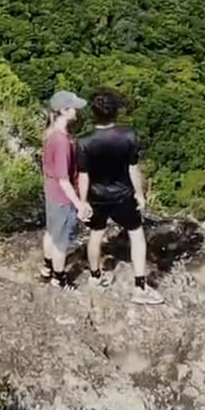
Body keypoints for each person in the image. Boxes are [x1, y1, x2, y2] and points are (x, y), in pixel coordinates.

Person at [77, 88, 162, 305]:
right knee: (136, 234)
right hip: (123, 194)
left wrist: (83, 201)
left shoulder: (84, 142)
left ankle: (95, 278)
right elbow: (133, 169)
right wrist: (140, 194)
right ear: (115, 111)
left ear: (94, 113)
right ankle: (139, 287)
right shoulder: (128, 135)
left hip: (97, 195)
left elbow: (83, 176)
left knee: (96, 234)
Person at [39, 89, 91, 288]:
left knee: (51, 232)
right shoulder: (61, 141)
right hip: (62, 197)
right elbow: (64, 178)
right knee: (61, 242)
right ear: (64, 110)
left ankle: (46, 268)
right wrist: (79, 204)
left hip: (52, 192)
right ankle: (58, 279)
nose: (77, 110)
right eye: (73, 107)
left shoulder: (51, 133)